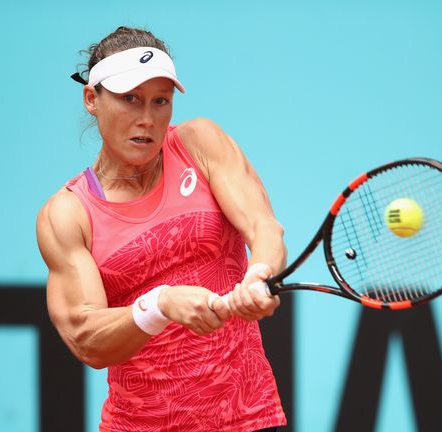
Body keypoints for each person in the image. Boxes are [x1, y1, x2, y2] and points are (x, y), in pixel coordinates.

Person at [36, 26, 288, 432]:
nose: (147, 118)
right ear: (91, 100)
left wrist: (259, 274)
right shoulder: (67, 214)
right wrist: (159, 305)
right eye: (129, 100)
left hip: (249, 419)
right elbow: (86, 337)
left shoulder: (201, 144)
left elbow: (264, 229)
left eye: (160, 101)